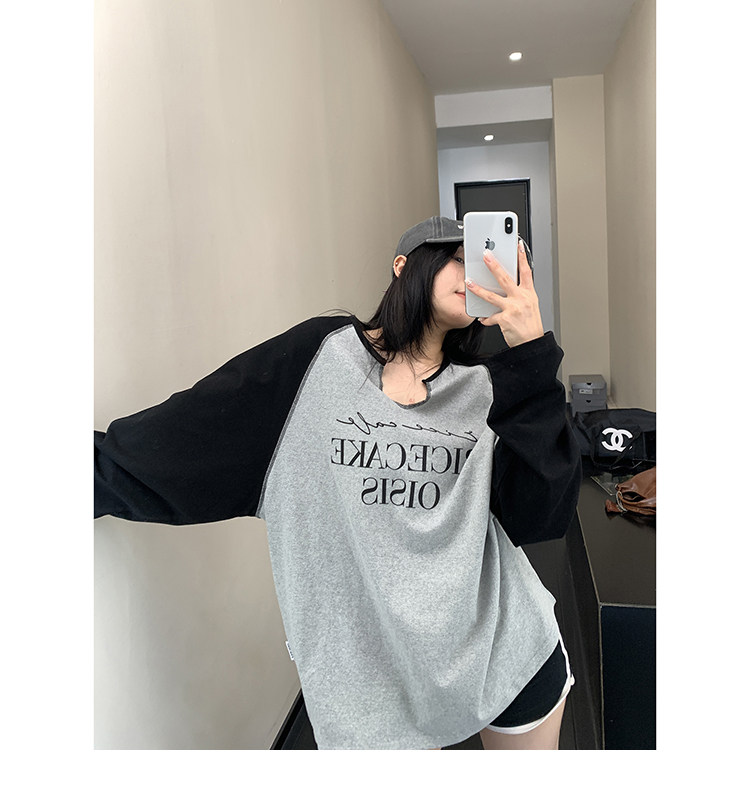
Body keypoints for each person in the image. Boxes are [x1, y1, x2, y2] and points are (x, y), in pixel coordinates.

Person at [94, 215, 582, 750]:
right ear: (403, 266)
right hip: (374, 690)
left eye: (492, 264)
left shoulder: (490, 387)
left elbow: (540, 515)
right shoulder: (318, 360)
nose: (478, 273)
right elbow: (183, 441)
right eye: (462, 258)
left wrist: (532, 356)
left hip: (507, 652)